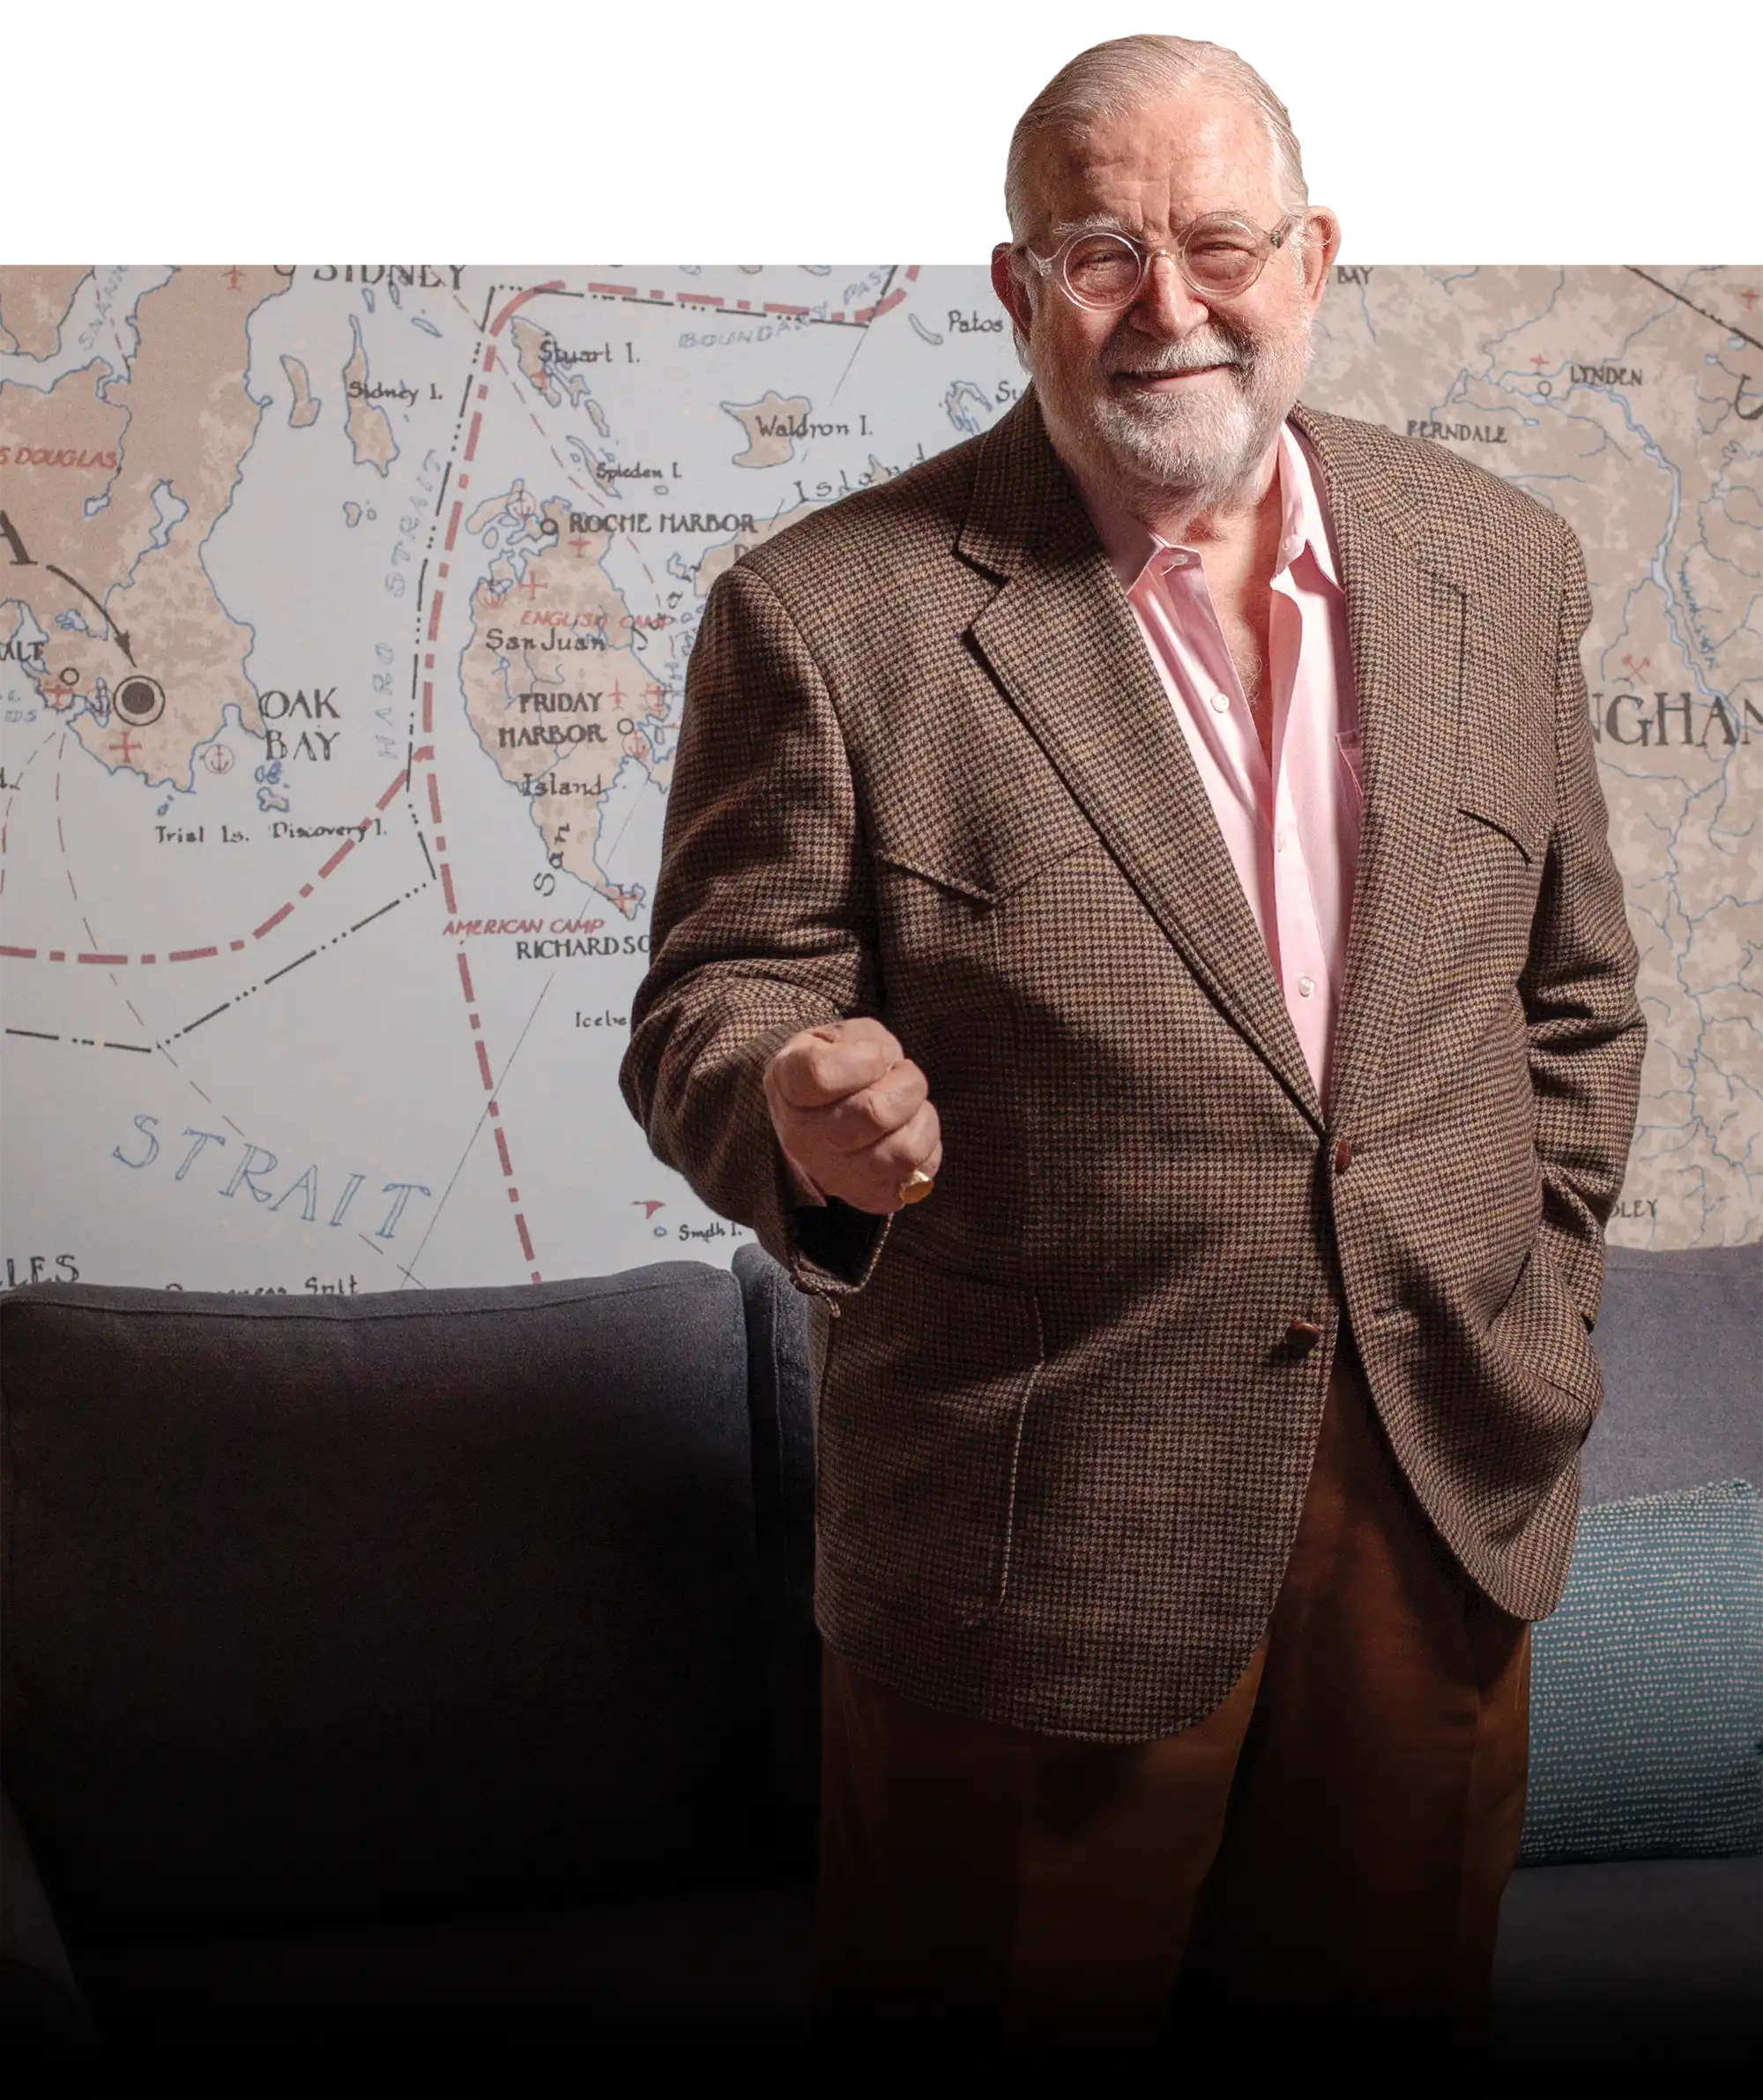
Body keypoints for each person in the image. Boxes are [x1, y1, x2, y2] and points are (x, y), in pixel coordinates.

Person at [620, 30, 1645, 2068]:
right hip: (1036, 1526)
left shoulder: (1497, 561)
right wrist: (792, 1109)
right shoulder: (829, 614)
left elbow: (1573, 996)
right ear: (1017, 288)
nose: (1171, 306)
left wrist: (1523, 1282)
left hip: (1431, 1495)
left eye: (1220, 243)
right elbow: (712, 1013)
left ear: (1314, 257)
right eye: (1100, 252)